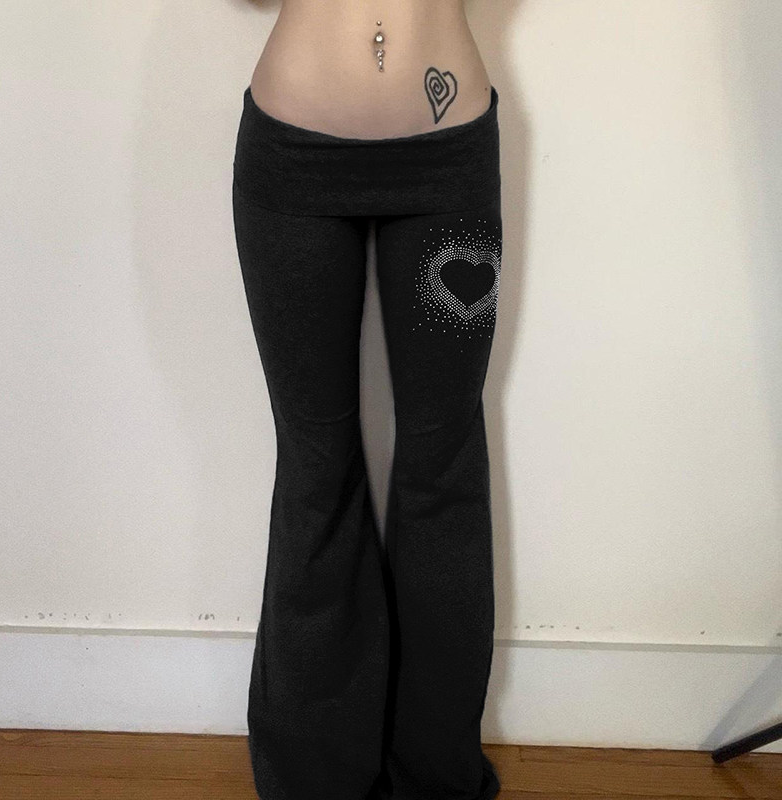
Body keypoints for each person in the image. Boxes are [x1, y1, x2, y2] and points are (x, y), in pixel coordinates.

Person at [231, 2, 503, 798]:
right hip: (292, 159)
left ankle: (437, 778)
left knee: (441, 465)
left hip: (449, 163)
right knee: (316, 466)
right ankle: (314, 780)